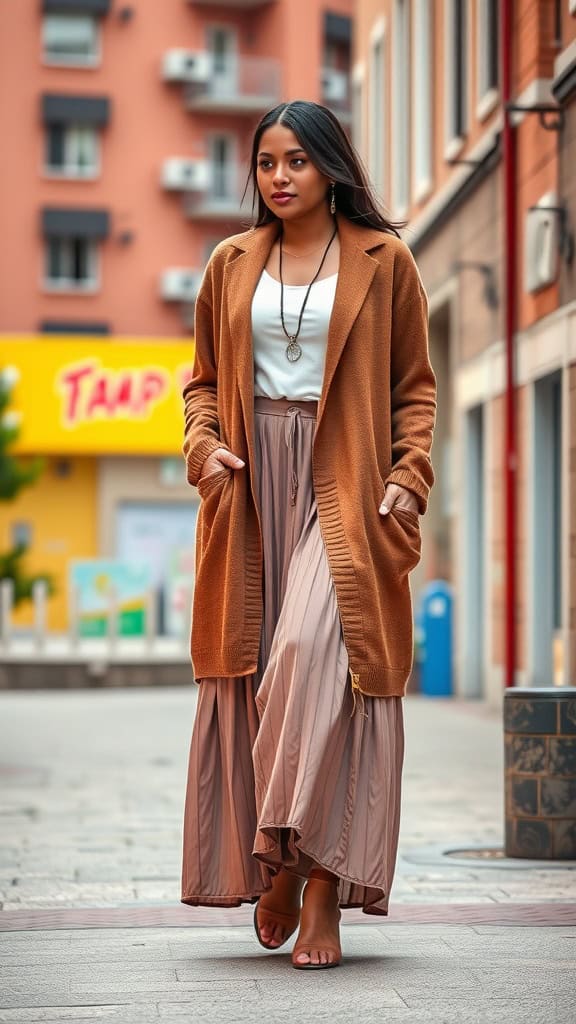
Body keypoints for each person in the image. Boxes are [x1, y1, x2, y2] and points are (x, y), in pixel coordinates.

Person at [180, 100, 436, 970]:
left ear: (331, 166)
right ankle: (291, 864)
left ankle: (309, 875)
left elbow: (416, 389)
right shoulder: (229, 262)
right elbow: (202, 386)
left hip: (347, 482)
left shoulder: (384, 260)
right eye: (265, 163)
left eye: (295, 161)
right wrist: (205, 447)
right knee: (258, 668)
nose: (278, 177)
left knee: (312, 657)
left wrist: (408, 478)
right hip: (253, 487)